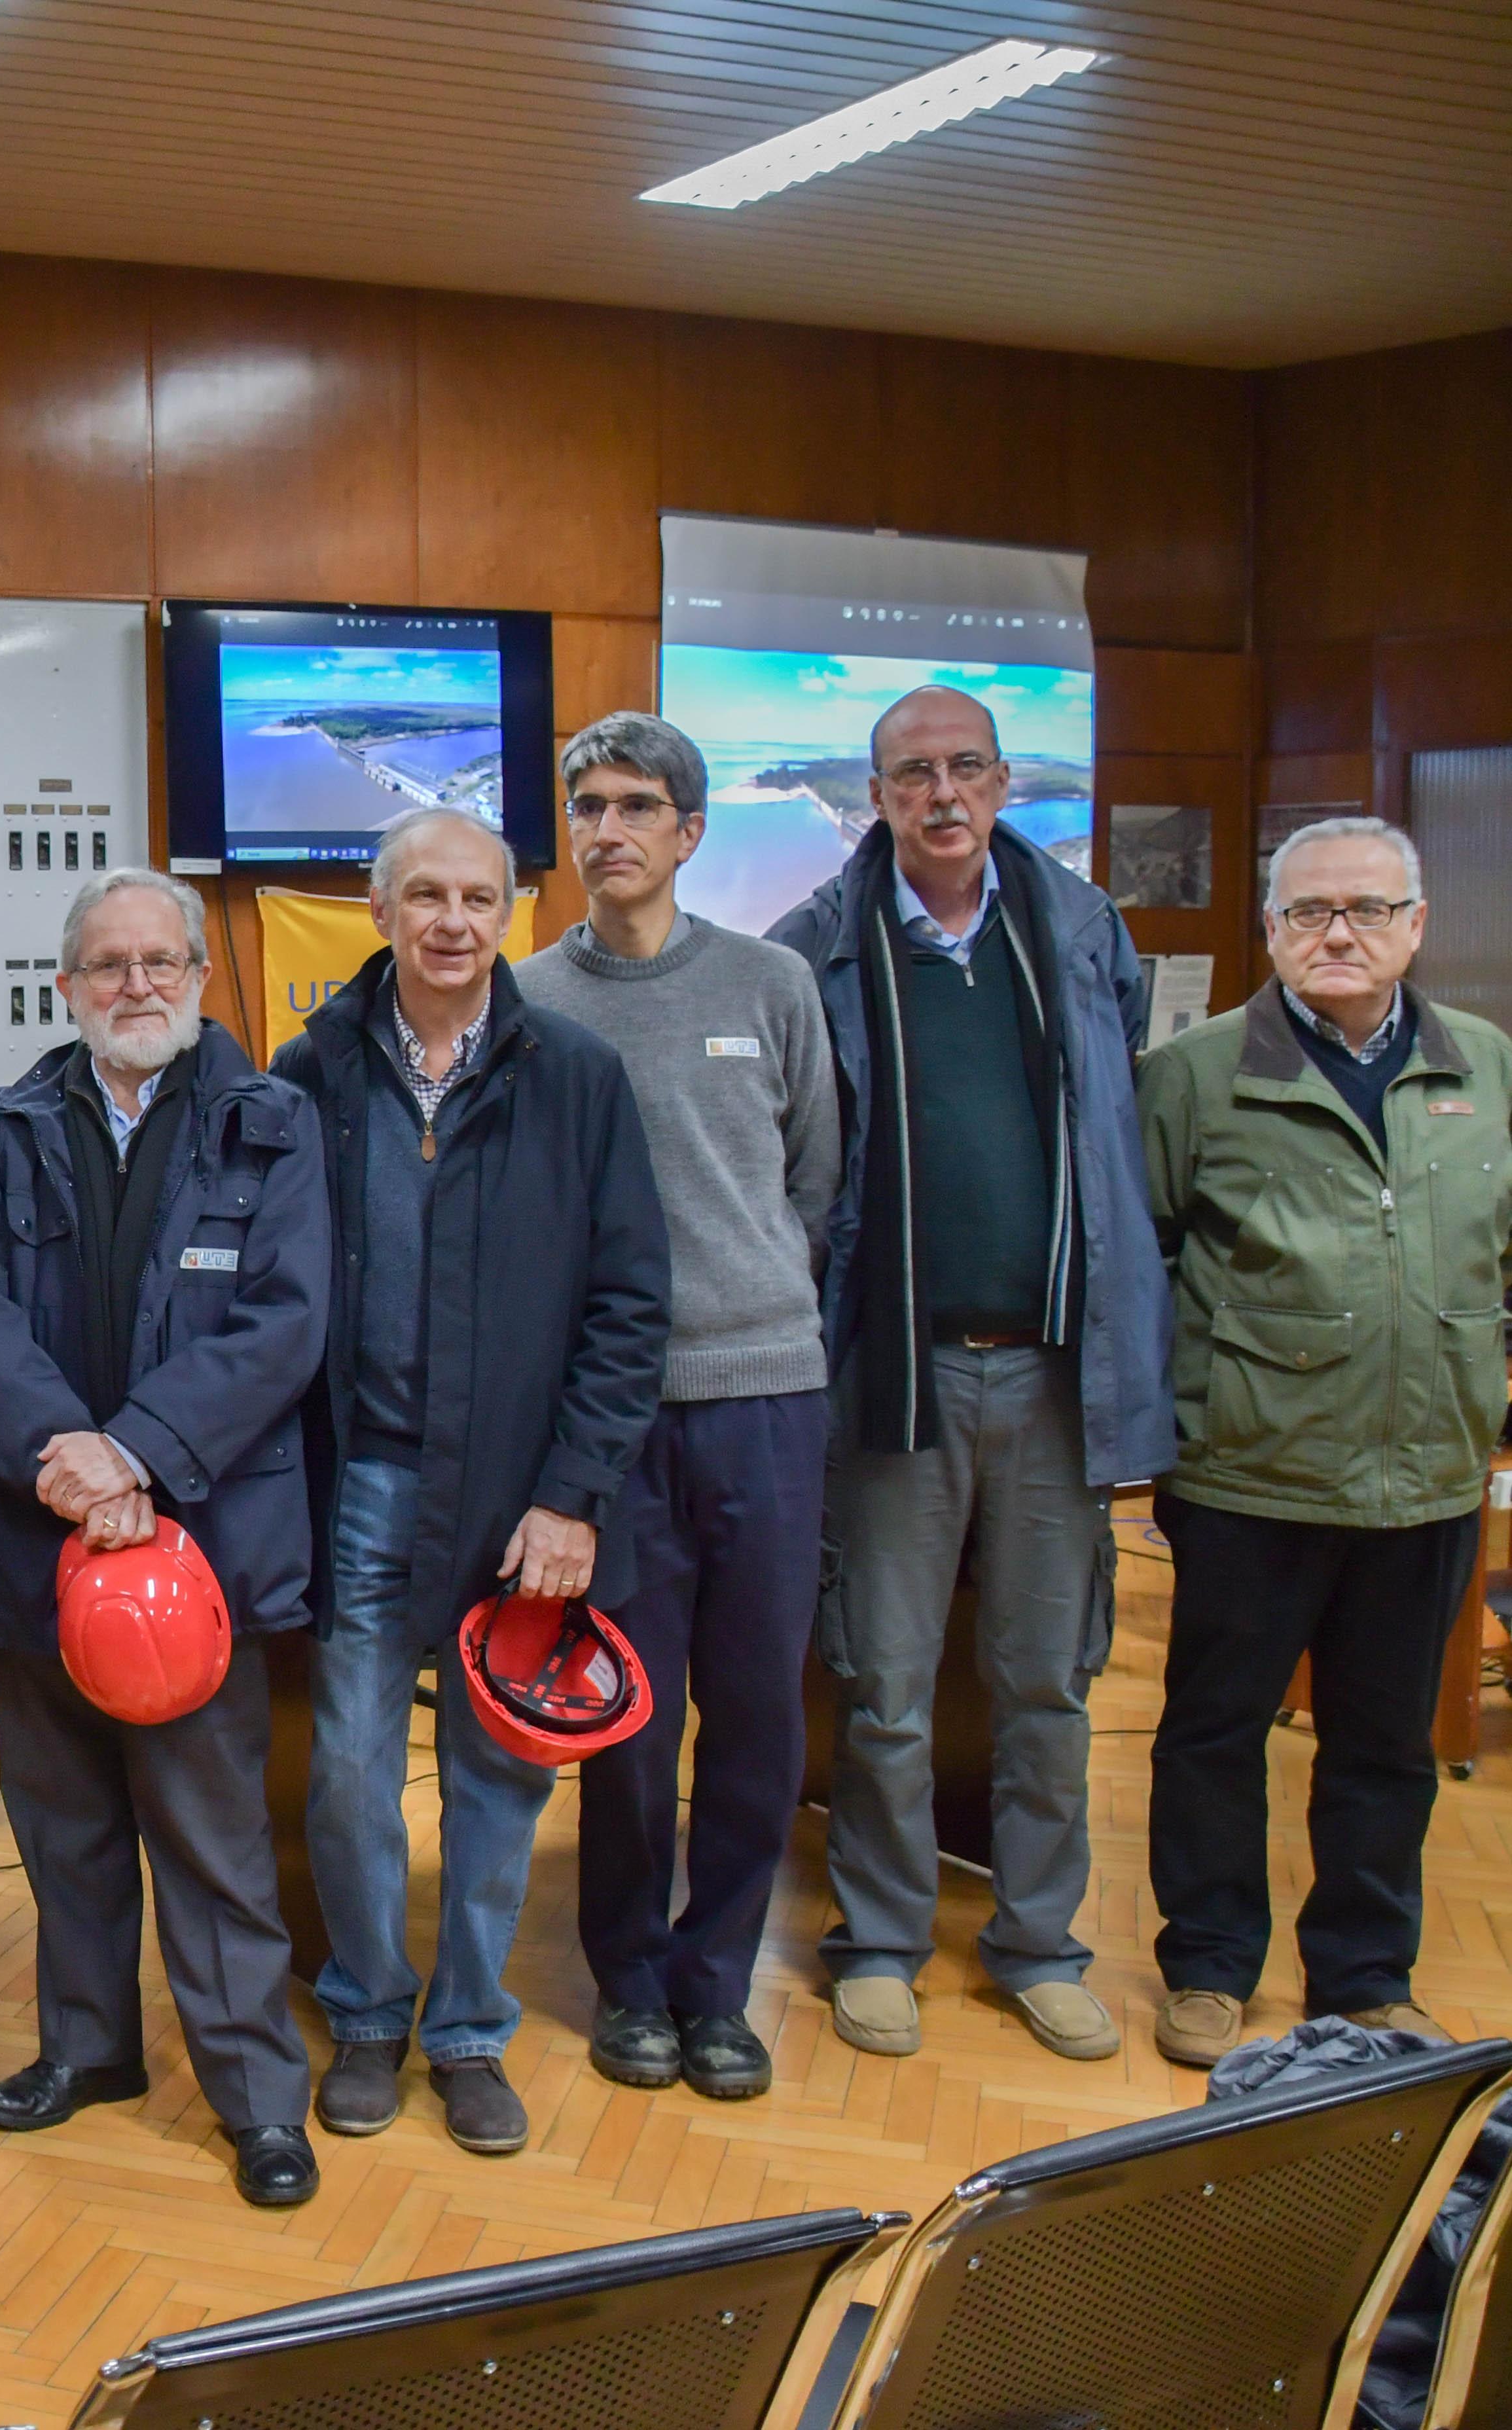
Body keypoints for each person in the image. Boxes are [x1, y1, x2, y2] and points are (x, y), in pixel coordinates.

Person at [768, 683, 1174, 2065]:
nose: (940, 793)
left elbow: (1119, 1134)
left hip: (1059, 1371)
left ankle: (1040, 1938)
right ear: (875, 796)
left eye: (964, 768)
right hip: (893, 1374)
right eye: (910, 773)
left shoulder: (1079, 925)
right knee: (882, 1679)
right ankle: (878, 1938)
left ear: (1005, 783)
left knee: (1048, 1681)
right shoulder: (818, 945)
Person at [270, 809, 669, 2158]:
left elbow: (628, 1303)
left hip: (522, 1502)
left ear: (512, 909)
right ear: (376, 911)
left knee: (500, 1779)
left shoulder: (577, 1075)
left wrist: (573, 1495)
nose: (452, 918)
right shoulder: (307, 1072)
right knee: (349, 1772)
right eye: (424, 893)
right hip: (365, 1484)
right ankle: (372, 2012)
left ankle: (470, 2030)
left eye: (478, 895)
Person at [0, 869, 328, 2208]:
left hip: (197, 1542)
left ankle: (259, 2097)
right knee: (64, 1826)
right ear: (67, 987)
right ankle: (90, 2047)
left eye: (161, 962)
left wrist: (141, 1452)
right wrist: (72, 1461)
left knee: (212, 1837)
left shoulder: (276, 1122)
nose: (137, 986)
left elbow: (284, 1321)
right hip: (40, 1537)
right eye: (107, 966)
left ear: (201, 978)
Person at [1137, 816, 1507, 2065]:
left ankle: (1364, 1972)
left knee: (1387, 1743)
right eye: (1307, 912)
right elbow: (1144, 1258)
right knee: (1212, 1731)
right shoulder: (1194, 1073)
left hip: (1430, 1479)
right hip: (1251, 1475)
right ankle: (1207, 1961)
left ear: (1416, 927)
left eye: (1364, 909)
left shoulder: (1491, 1072)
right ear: (1272, 931)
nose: (1337, 933)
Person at [516, 714, 839, 2103]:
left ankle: (721, 1985)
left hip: (765, 1399)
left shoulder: (772, 982)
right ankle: (632, 1978)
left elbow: (813, 1178)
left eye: (638, 805)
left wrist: (752, 1298)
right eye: (588, 805)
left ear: (690, 831)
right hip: (610, 1420)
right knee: (630, 1719)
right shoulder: (529, 999)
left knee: (759, 1710)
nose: (609, 829)